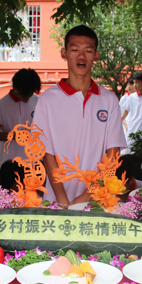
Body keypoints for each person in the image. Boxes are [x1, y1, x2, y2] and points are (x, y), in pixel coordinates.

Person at [33, 25, 127, 206]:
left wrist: (83, 199)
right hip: (57, 202)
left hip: (96, 202)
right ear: (64, 53)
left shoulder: (108, 100)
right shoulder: (47, 100)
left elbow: (112, 154)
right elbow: (46, 153)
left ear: (96, 56)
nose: (81, 56)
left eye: (88, 50)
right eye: (75, 49)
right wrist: (63, 201)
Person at [0, 68, 41, 190]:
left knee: (34, 195)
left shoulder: (38, 102)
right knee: (11, 194)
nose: (29, 96)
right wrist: (17, 136)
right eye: (26, 93)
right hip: (9, 162)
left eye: (31, 92)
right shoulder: (1, 106)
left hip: (34, 160)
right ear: (15, 88)